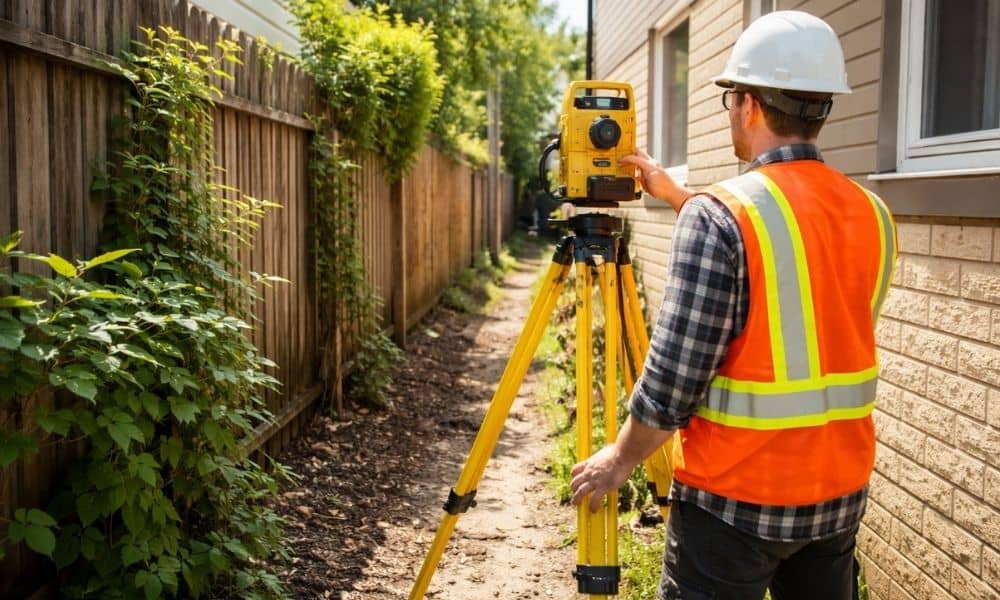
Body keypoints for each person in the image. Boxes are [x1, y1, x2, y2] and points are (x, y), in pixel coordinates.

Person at [569, 10, 897, 600]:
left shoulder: (722, 217)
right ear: (821, 105)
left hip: (736, 505)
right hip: (837, 498)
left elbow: (673, 379)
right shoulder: (872, 213)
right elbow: (793, 268)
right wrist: (681, 197)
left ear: (746, 103)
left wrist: (619, 460)